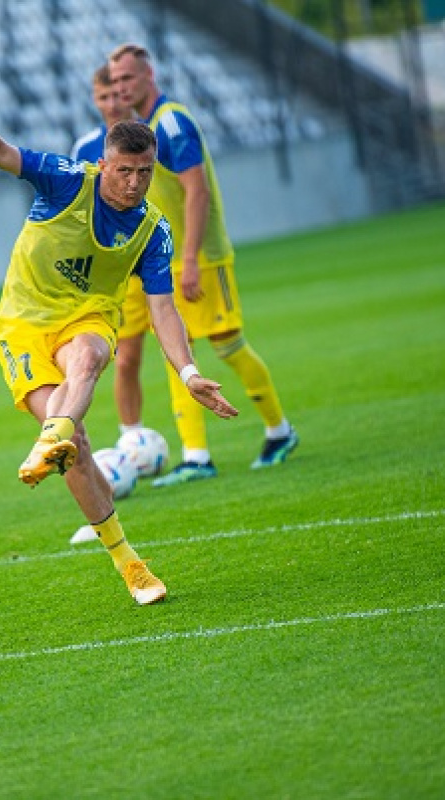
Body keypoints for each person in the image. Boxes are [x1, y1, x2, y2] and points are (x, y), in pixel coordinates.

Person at [0, 81, 239, 604]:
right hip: (22, 324)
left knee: (93, 354)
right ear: (105, 162)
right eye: (125, 170)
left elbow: (163, 309)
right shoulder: (64, 180)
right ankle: (125, 556)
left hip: (89, 318)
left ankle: (54, 437)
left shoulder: (151, 229)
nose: (135, 182)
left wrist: (189, 373)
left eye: (145, 172)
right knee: (77, 451)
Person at [108, 44, 299, 488]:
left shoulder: (171, 121)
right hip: (169, 261)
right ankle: (196, 455)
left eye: (128, 79)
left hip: (202, 258)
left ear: (148, 75)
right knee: (179, 353)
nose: (121, 88)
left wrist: (190, 258)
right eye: (115, 81)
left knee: (230, 345)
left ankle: (279, 431)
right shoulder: (144, 128)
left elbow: (198, 192)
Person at [71, 64, 151, 437]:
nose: (112, 103)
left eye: (117, 95)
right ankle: (131, 436)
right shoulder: (85, 148)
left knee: (184, 351)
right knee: (126, 359)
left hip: (152, 260)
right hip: (115, 270)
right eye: (103, 97)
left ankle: (196, 449)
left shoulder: (146, 141)